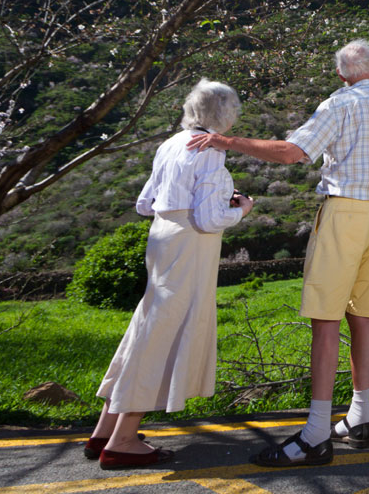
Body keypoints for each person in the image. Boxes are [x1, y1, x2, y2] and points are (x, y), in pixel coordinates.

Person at [188, 39, 369, 468]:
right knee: (362, 315)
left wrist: (227, 141)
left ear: (341, 74)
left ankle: (316, 434)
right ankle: (359, 416)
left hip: (345, 215)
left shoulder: (338, 103)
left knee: (326, 318)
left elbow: (294, 153)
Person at [86, 79, 254, 470]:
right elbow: (210, 218)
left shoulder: (170, 143)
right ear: (224, 113)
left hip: (161, 238)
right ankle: (123, 441)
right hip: (189, 247)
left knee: (147, 326)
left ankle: (104, 431)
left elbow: (145, 204)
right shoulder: (210, 150)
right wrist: (243, 209)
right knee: (164, 334)